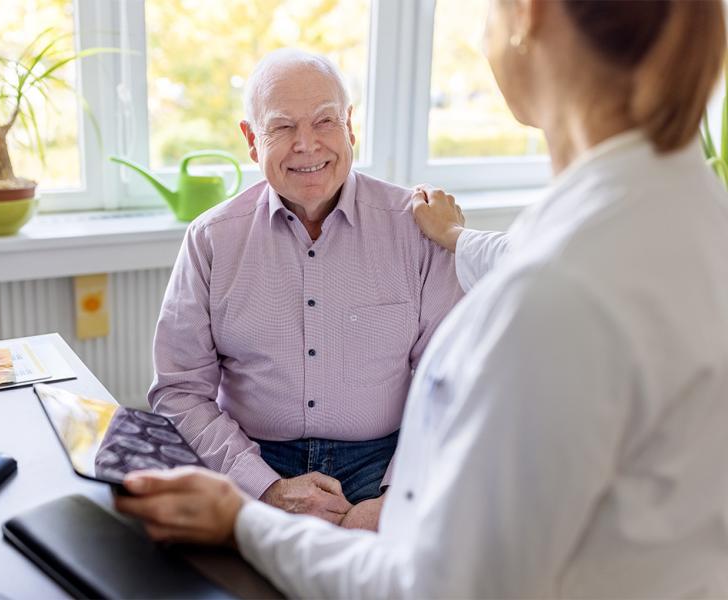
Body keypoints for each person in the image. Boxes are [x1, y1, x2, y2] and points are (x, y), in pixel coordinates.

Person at [116, 0, 728, 596]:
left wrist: (240, 520)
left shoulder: (556, 294)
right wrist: (261, 491)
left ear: (530, 13)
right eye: (284, 127)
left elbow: (431, 583)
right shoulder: (690, 219)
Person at [148, 49, 462, 531]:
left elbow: (448, 381)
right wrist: (264, 486)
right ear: (252, 141)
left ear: (350, 126)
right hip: (250, 461)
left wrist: (399, 495)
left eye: (324, 121)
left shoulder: (419, 229)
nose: (307, 145)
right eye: (282, 128)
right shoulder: (212, 239)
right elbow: (179, 391)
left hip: (390, 463)